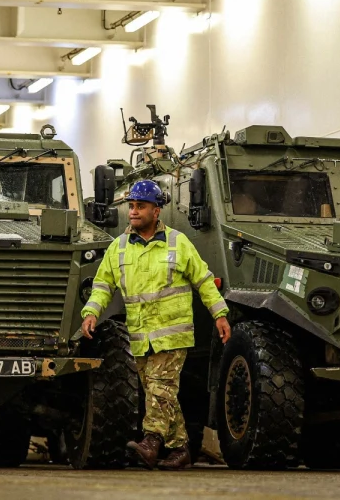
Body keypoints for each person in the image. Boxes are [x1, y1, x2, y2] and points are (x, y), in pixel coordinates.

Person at [81, 179, 231, 471]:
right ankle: (180, 449)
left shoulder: (178, 242)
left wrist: (220, 314)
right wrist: (91, 312)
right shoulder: (119, 248)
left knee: (160, 390)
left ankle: (151, 442)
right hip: (140, 337)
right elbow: (102, 285)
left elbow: (204, 280)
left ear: (156, 211)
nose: (134, 212)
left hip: (173, 337)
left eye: (141, 206)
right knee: (161, 394)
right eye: (132, 206)